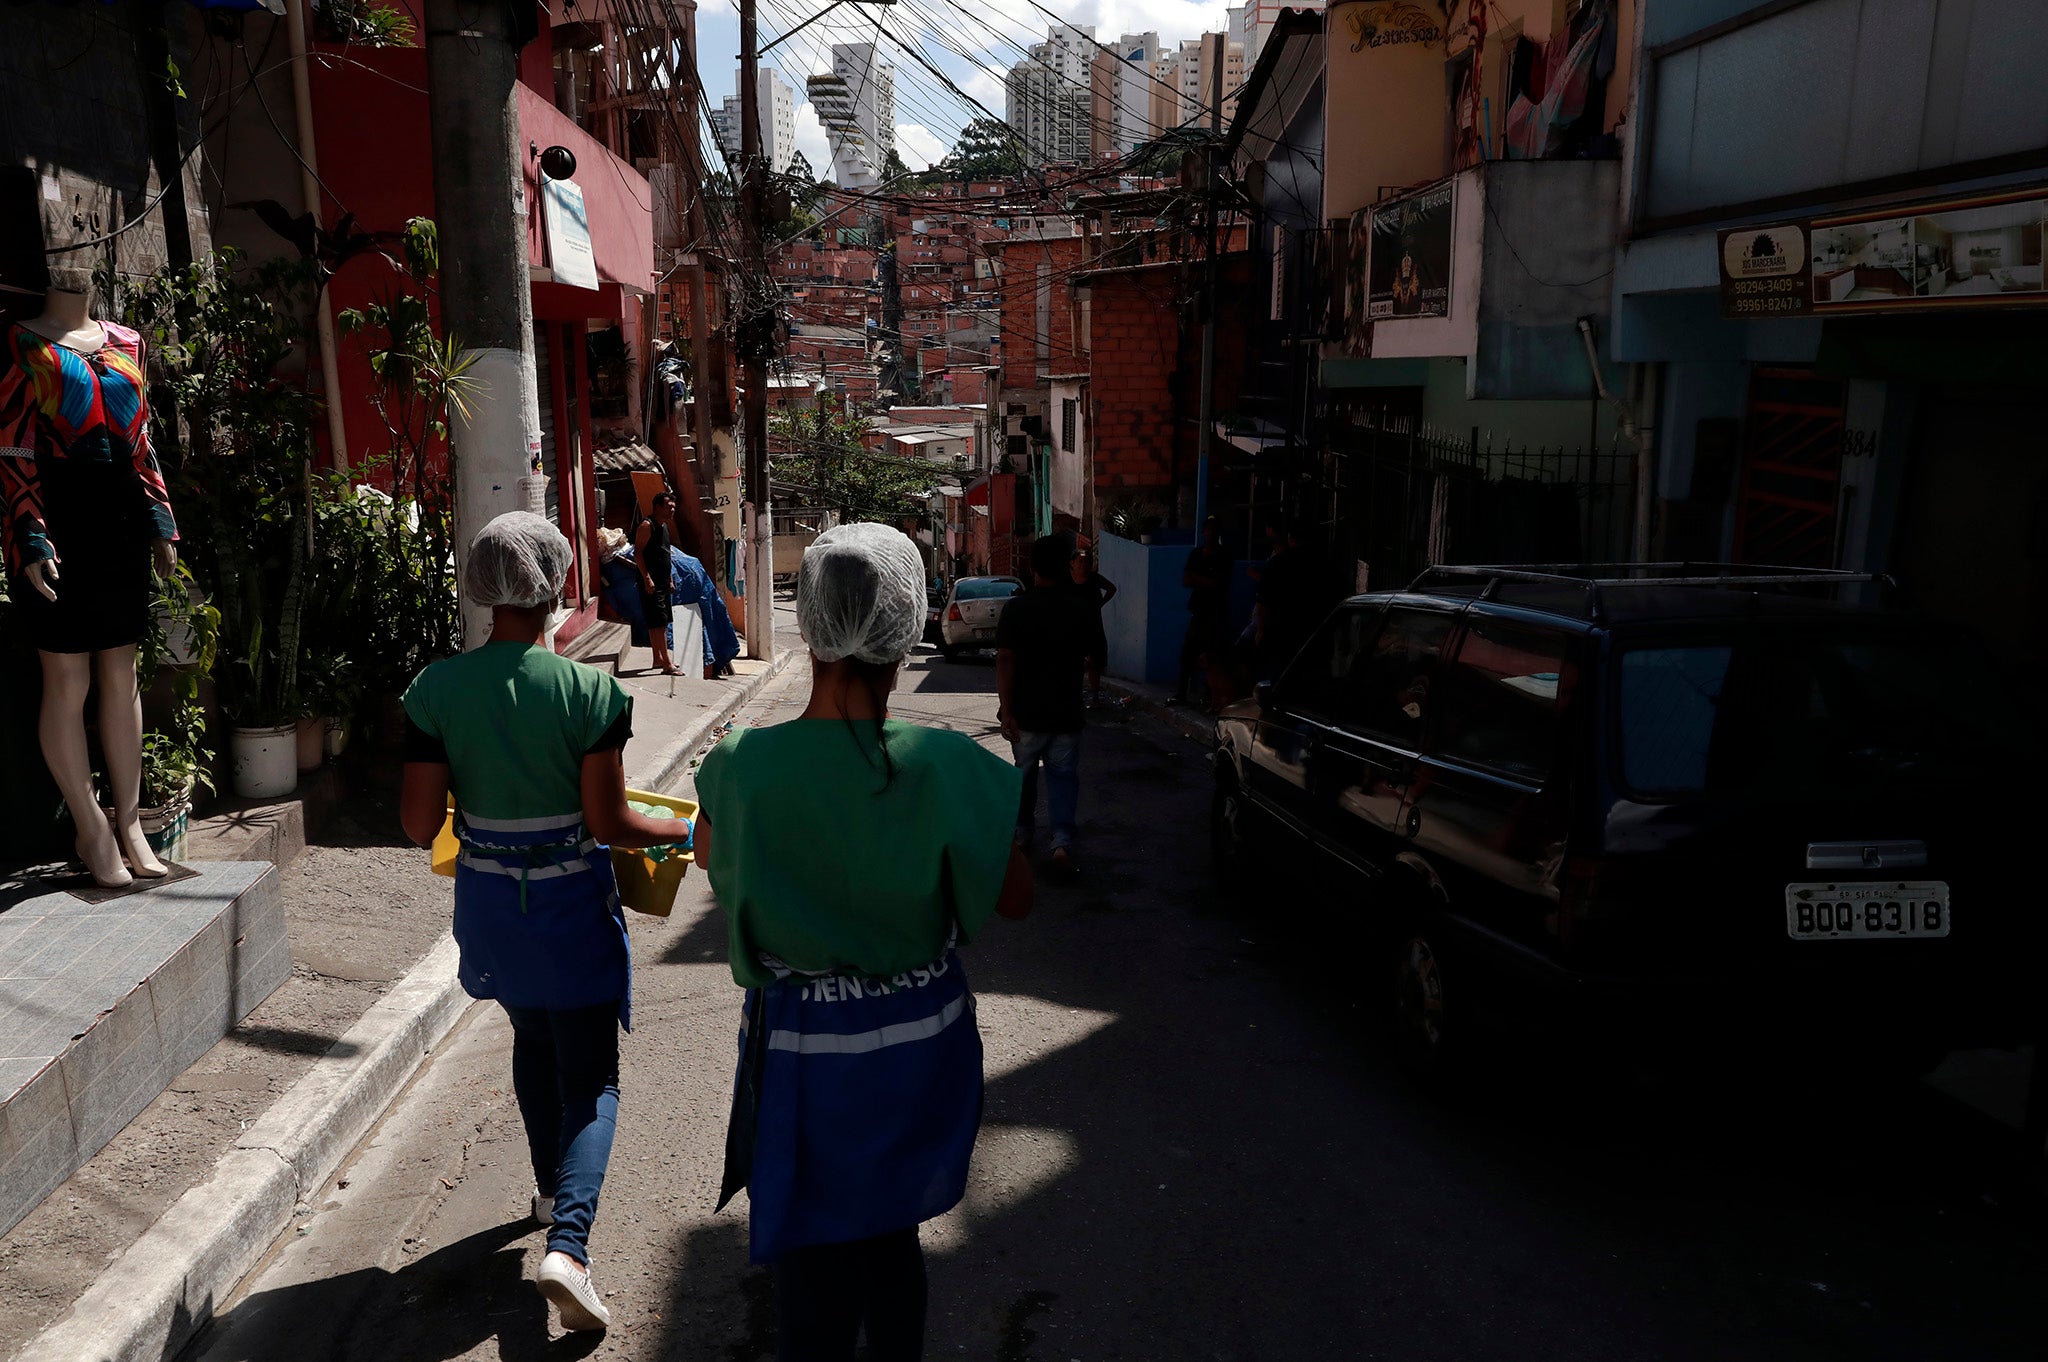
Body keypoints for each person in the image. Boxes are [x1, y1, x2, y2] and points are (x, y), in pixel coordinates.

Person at [693, 522, 1032, 1362]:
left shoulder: (741, 768)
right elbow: (1015, 898)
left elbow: (708, 853)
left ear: (809, 625)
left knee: (813, 1256)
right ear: (904, 625)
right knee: (891, 1241)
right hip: (921, 1051)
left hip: (806, 1057)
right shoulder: (950, 766)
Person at [399, 511, 691, 1335]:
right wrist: (689, 828)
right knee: (593, 1074)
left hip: (490, 909)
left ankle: (545, 1185)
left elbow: (422, 825)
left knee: (532, 1038)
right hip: (569, 907)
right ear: (556, 580)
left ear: (483, 585)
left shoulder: (433, 690)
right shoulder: (590, 691)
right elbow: (610, 823)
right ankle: (569, 1246)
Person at [996, 535, 1108, 877]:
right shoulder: (1082, 608)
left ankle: (1022, 834)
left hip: (1027, 713)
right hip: (1066, 712)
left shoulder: (1016, 608)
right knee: (1062, 778)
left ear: (1032, 569)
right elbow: (1097, 658)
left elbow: (1004, 658)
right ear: (1066, 568)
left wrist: (1006, 709)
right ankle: (1060, 842)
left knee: (1024, 776)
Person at [1173, 517, 1231, 707]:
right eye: (1207, 530)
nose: (1210, 534)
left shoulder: (1224, 555)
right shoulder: (1197, 554)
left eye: (1213, 530)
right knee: (1187, 654)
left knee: (1213, 657)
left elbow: (1217, 583)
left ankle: (1209, 696)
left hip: (1216, 613)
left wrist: (1199, 579)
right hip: (1199, 612)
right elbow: (1186, 580)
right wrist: (1205, 580)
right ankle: (1181, 694)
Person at [634, 492, 679, 675]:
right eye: (669, 506)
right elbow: (638, 553)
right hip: (650, 583)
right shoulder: (647, 526)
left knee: (659, 622)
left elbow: (665, 554)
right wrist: (647, 578)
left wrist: (669, 579)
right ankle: (667, 664)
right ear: (658, 507)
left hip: (662, 581)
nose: (672, 509)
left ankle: (657, 659)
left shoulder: (665, 527)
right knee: (659, 622)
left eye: (673, 506)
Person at [1069, 544, 1117, 706]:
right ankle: (1074, 697)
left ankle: (1095, 697)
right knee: (1075, 664)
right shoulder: (1067, 581)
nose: (1083, 565)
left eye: (1086, 562)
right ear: (1072, 563)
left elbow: (1112, 588)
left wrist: (1101, 603)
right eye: (1080, 562)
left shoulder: (1094, 579)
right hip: (1074, 628)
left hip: (1093, 627)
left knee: (1095, 664)